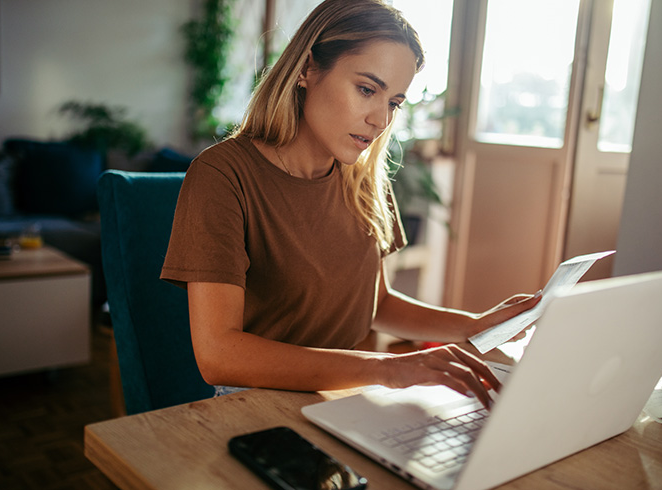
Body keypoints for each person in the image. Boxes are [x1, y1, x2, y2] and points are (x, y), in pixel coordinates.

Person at [161, 0, 539, 408]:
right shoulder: (222, 175)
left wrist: (475, 325)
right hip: (255, 404)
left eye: (393, 102)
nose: (380, 120)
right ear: (307, 69)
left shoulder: (363, 180)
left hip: (346, 396)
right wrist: (387, 368)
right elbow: (218, 355)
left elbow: (375, 304)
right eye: (366, 90)